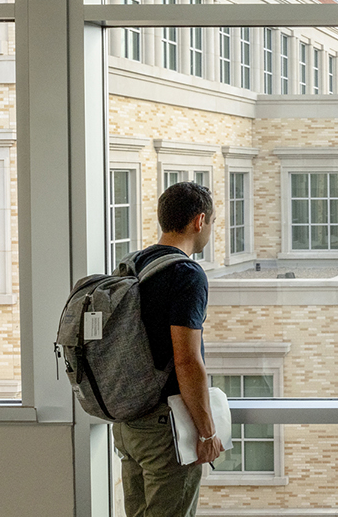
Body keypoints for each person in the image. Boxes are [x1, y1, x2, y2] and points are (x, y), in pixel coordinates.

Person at [114, 182, 222, 517]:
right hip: (166, 429)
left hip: (129, 423)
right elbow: (187, 360)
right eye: (212, 224)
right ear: (199, 221)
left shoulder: (133, 264)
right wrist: (207, 432)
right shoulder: (186, 274)